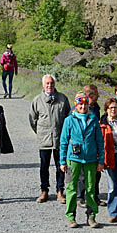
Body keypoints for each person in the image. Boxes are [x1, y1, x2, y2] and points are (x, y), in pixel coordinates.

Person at [59, 91, 105, 228]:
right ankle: (71, 216)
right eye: (80, 104)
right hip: (73, 159)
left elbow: (99, 142)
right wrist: (62, 161)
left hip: (91, 160)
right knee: (72, 188)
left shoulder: (93, 119)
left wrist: (101, 160)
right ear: (76, 105)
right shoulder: (69, 120)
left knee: (91, 189)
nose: (83, 107)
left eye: (85, 104)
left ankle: (91, 216)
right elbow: (63, 142)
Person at [28, 74, 72, 203]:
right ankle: (44, 191)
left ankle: (60, 191)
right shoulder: (37, 100)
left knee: (61, 166)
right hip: (44, 140)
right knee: (44, 166)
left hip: (60, 140)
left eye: (51, 83)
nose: (49, 86)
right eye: (47, 83)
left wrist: (66, 135)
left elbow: (68, 117)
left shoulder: (63, 99)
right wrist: (40, 132)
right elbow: (32, 119)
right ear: (43, 85)